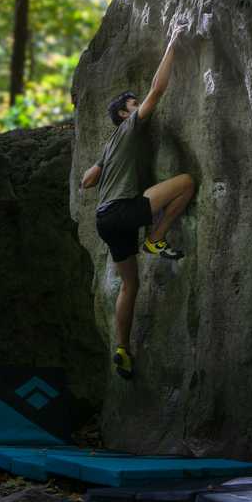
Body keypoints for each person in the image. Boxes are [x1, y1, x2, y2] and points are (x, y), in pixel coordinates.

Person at [80, 23, 195, 380]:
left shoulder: (110, 146)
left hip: (105, 220)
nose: (140, 106)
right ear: (125, 116)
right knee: (187, 182)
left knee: (130, 285)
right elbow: (158, 90)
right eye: (134, 105)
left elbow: (87, 181)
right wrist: (173, 42)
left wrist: (97, 169)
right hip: (124, 211)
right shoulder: (130, 128)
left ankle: (122, 347)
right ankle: (155, 237)